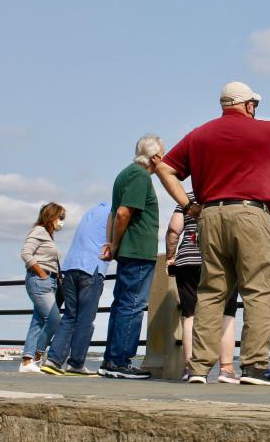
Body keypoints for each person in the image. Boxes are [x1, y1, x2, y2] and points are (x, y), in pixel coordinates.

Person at [156, 81, 270, 385]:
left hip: (210, 216)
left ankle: (199, 368)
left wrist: (188, 205)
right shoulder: (268, 130)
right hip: (250, 214)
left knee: (211, 292)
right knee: (260, 288)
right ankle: (254, 367)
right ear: (250, 105)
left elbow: (165, 169)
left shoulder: (199, 134)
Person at [99, 135, 164, 379]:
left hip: (128, 250)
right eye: (162, 156)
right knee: (133, 305)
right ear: (154, 158)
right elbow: (123, 214)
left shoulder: (124, 174)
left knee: (121, 304)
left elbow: (114, 213)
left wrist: (111, 244)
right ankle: (120, 362)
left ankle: (110, 360)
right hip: (138, 250)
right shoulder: (140, 176)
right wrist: (114, 245)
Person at [165, 192, 239, 383]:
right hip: (220, 261)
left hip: (187, 261)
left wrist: (170, 257)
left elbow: (174, 230)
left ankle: (191, 369)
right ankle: (226, 369)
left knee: (190, 314)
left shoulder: (187, 196)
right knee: (226, 314)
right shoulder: (229, 196)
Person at [41, 203, 111, 376]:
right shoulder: (114, 212)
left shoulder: (91, 212)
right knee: (85, 319)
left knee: (70, 316)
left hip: (70, 268)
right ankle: (76, 363)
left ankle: (53, 361)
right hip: (91, 267)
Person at [19, 202, 66, 373]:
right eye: (60, 217)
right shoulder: (39, 230)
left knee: (38, 320)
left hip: (49, 282)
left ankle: (27, 361)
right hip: (41, 280)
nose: (62, 221)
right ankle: (38, 355)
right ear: (51, 216)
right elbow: (25, 253)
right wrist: (42, 274)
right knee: (54, 319)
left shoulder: (47, 234)